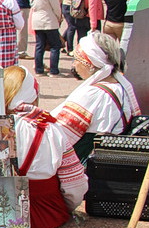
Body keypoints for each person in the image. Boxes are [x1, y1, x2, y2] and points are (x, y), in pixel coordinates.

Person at [3, 66, 87, 228]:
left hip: (1, 222)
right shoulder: (49, 130)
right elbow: (75, 187)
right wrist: (70, 208)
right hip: (44, 221)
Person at [53, 32, 140, 163]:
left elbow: (59, 135)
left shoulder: (93, 94)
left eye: (77, 59)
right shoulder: (121, 85)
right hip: (111, 160)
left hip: (85, 164)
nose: (74, 65)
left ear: (90, 64)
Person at [29, 0, 64, 76]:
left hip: (37, 20)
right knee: (55, 45)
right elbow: (56, 6)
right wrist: (59, 16)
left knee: (40, 45)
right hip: (49, 20)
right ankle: (54, 70)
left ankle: (39, 69)